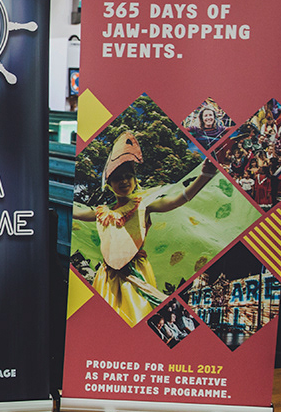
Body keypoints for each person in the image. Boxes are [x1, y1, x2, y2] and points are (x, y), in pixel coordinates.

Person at [73, 131, 216, 326]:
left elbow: (177, 200)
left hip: (135, 272)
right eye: (117, 178)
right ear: (110, 183)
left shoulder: (144, 205)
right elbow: (75, 212)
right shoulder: (103, 212)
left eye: (128, 176)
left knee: (136, 317)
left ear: (134, 179)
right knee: (104, 322)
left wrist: (205, 176)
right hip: (107, 275)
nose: (124, 181)